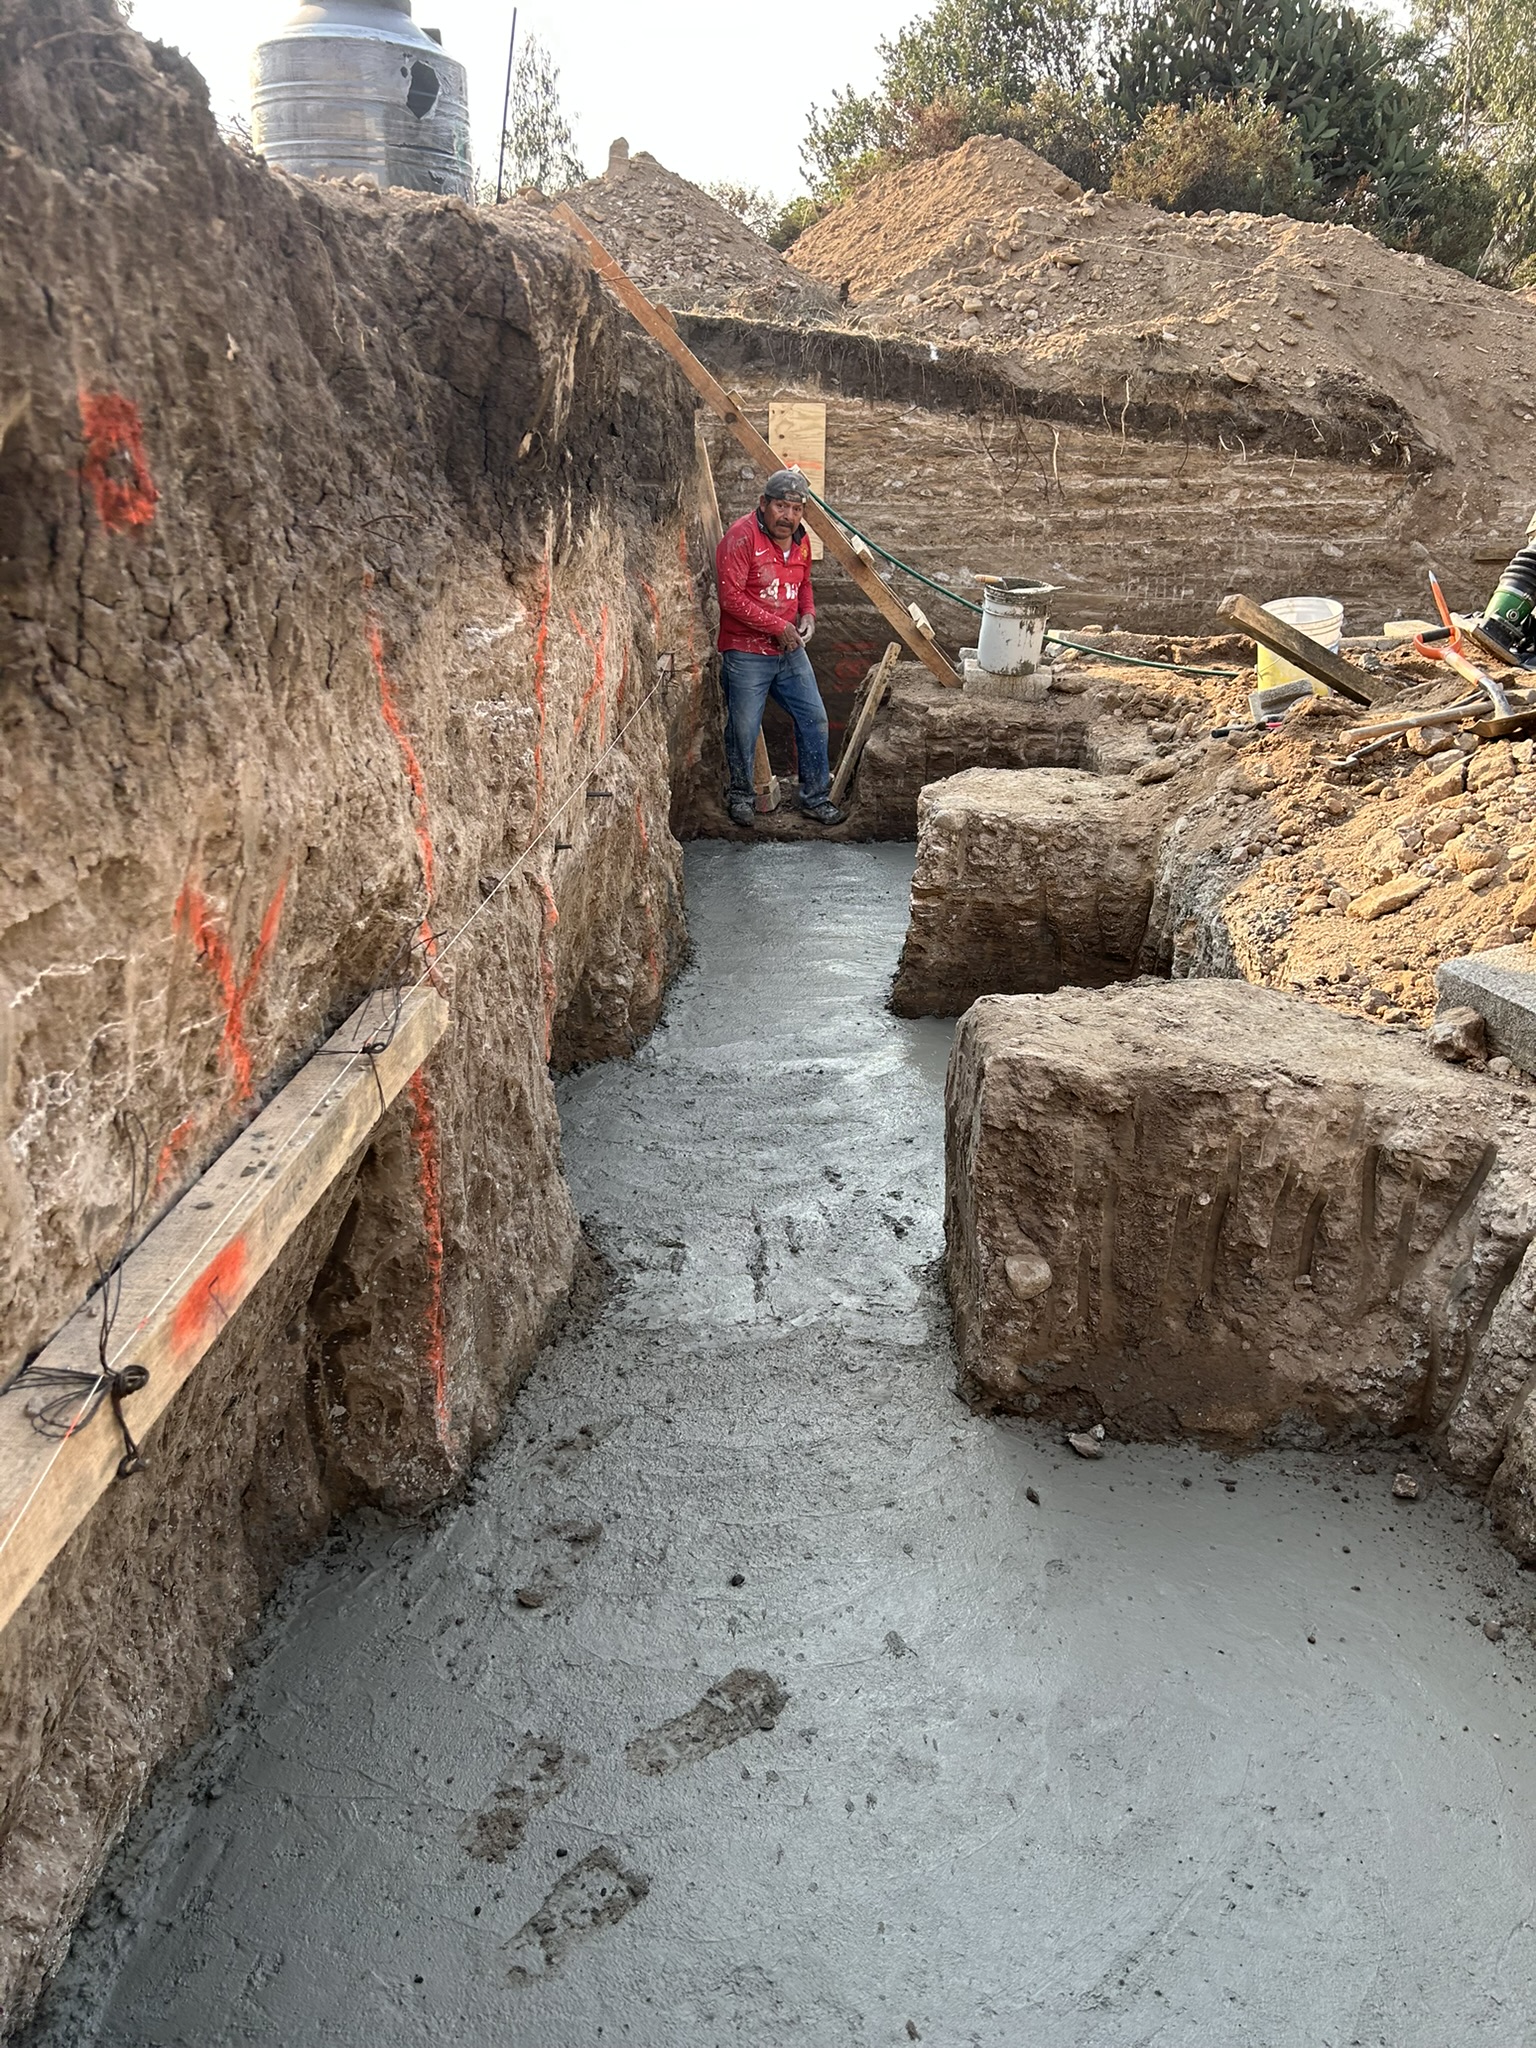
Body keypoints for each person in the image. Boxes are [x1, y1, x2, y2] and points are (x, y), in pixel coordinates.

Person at [714, 469, 846, 830]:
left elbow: (804, 583)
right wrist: (779, 626)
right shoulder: (741, 539)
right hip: (745, 652)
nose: (787, 516)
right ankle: (741, 796)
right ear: (764, 504)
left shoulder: (801, 541)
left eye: (796, 508)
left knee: (814, 718)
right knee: (743, 727)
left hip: (789, 650)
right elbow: (730, 599)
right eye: (781, 506)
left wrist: (808, 614)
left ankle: (815, 798)